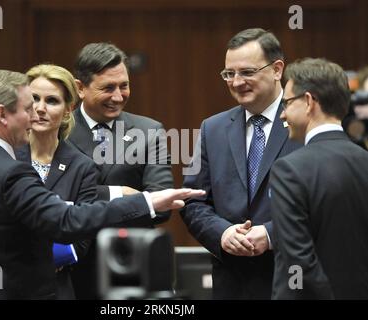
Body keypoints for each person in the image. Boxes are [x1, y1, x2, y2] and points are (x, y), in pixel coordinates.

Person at [0, 69, 204, 299]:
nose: (33, 115)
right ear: (2, 114)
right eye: (27, 107)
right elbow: (67, 220)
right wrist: (147, 200)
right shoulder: (11, 172)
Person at [180, 28, 301, 299]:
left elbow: (324, 204)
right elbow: (193, 202)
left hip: (292, 280)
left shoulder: (304, 122)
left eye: (247, 72)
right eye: (229, 74)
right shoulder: (213, 128)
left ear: (277, 69)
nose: (236, 82)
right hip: (232, 285)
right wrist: (222, 233)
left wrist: (270, 234)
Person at [68, 42, 174, 299]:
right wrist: (116, 194)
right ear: (80, 88)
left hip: (132, 269)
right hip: (72, 272)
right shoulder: (59, 133)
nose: (118, 96)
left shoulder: (150, 132)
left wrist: (81, 205)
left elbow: (161, 204)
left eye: (123, 86)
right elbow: (49, 200)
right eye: (107, 88)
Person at [270, 58, 368, 299]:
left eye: (286, 103)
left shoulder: (289, 170)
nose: (283, 115)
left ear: (308, 102)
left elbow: (299, 261)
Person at [15, 64, 97, 299]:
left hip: (55, 288)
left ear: (69, 109)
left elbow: (79, 241)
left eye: (51, 101)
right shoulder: (5, 157)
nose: (40, 109)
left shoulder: (82, 167)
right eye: (34, 99)